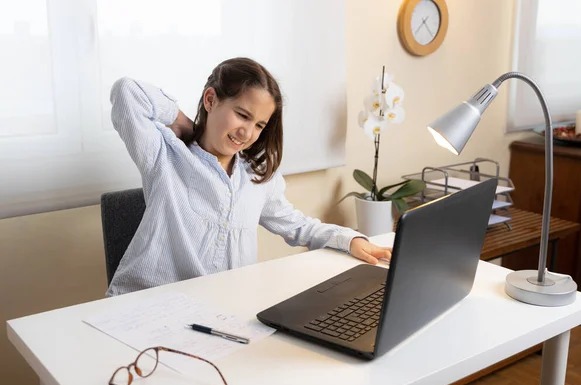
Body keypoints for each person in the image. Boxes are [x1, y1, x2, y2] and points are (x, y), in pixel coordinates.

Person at [106, 57, 392, 296]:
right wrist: (183, 123)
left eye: (259, 125)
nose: (247, 133)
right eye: (242, 115)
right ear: (210, 99)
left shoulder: (256, 178)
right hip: (148, 305)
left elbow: (300, 227)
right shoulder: (165, 156)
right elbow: (126, 92)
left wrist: (351, 239)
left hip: (219, 309)